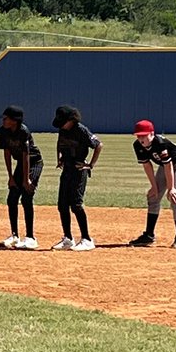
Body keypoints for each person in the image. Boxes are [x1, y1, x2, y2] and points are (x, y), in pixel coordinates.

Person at [128, 119, 176, 249]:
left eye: (144, 135)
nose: (141, 138)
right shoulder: (137, 146)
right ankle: (149, 235)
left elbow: (168, 165)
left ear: (152, 134)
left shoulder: (160, 143)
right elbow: (147, 165)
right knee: (153, 196)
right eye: (139, 135)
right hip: (165, 166)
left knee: (175, 197)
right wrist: (154, 186)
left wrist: (171, 188)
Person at [51, 105, 102, 252]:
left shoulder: (81, 130)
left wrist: (90, 165)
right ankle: (68, 239)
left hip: (78, 170)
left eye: (64, 122)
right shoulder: (63, 129)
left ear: (71, 120)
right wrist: (59, 158)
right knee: (62, 205)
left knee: (76, 204)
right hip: (67, 169)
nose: (62, 126)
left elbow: (98, 145)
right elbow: (59, 143)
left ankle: (86, 239)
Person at [0, 105, 43, 250]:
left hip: (34, 163)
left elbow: (26, 156)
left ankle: (30, 237)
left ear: (14, 120)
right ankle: (14, 235)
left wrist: (26, 180)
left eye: (6, 118)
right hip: (20, 164)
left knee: (26, 197)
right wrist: (10, 177)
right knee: (12, 198)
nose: (3, 121)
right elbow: (7, 153)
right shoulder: (3, 131)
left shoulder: (23, 131)